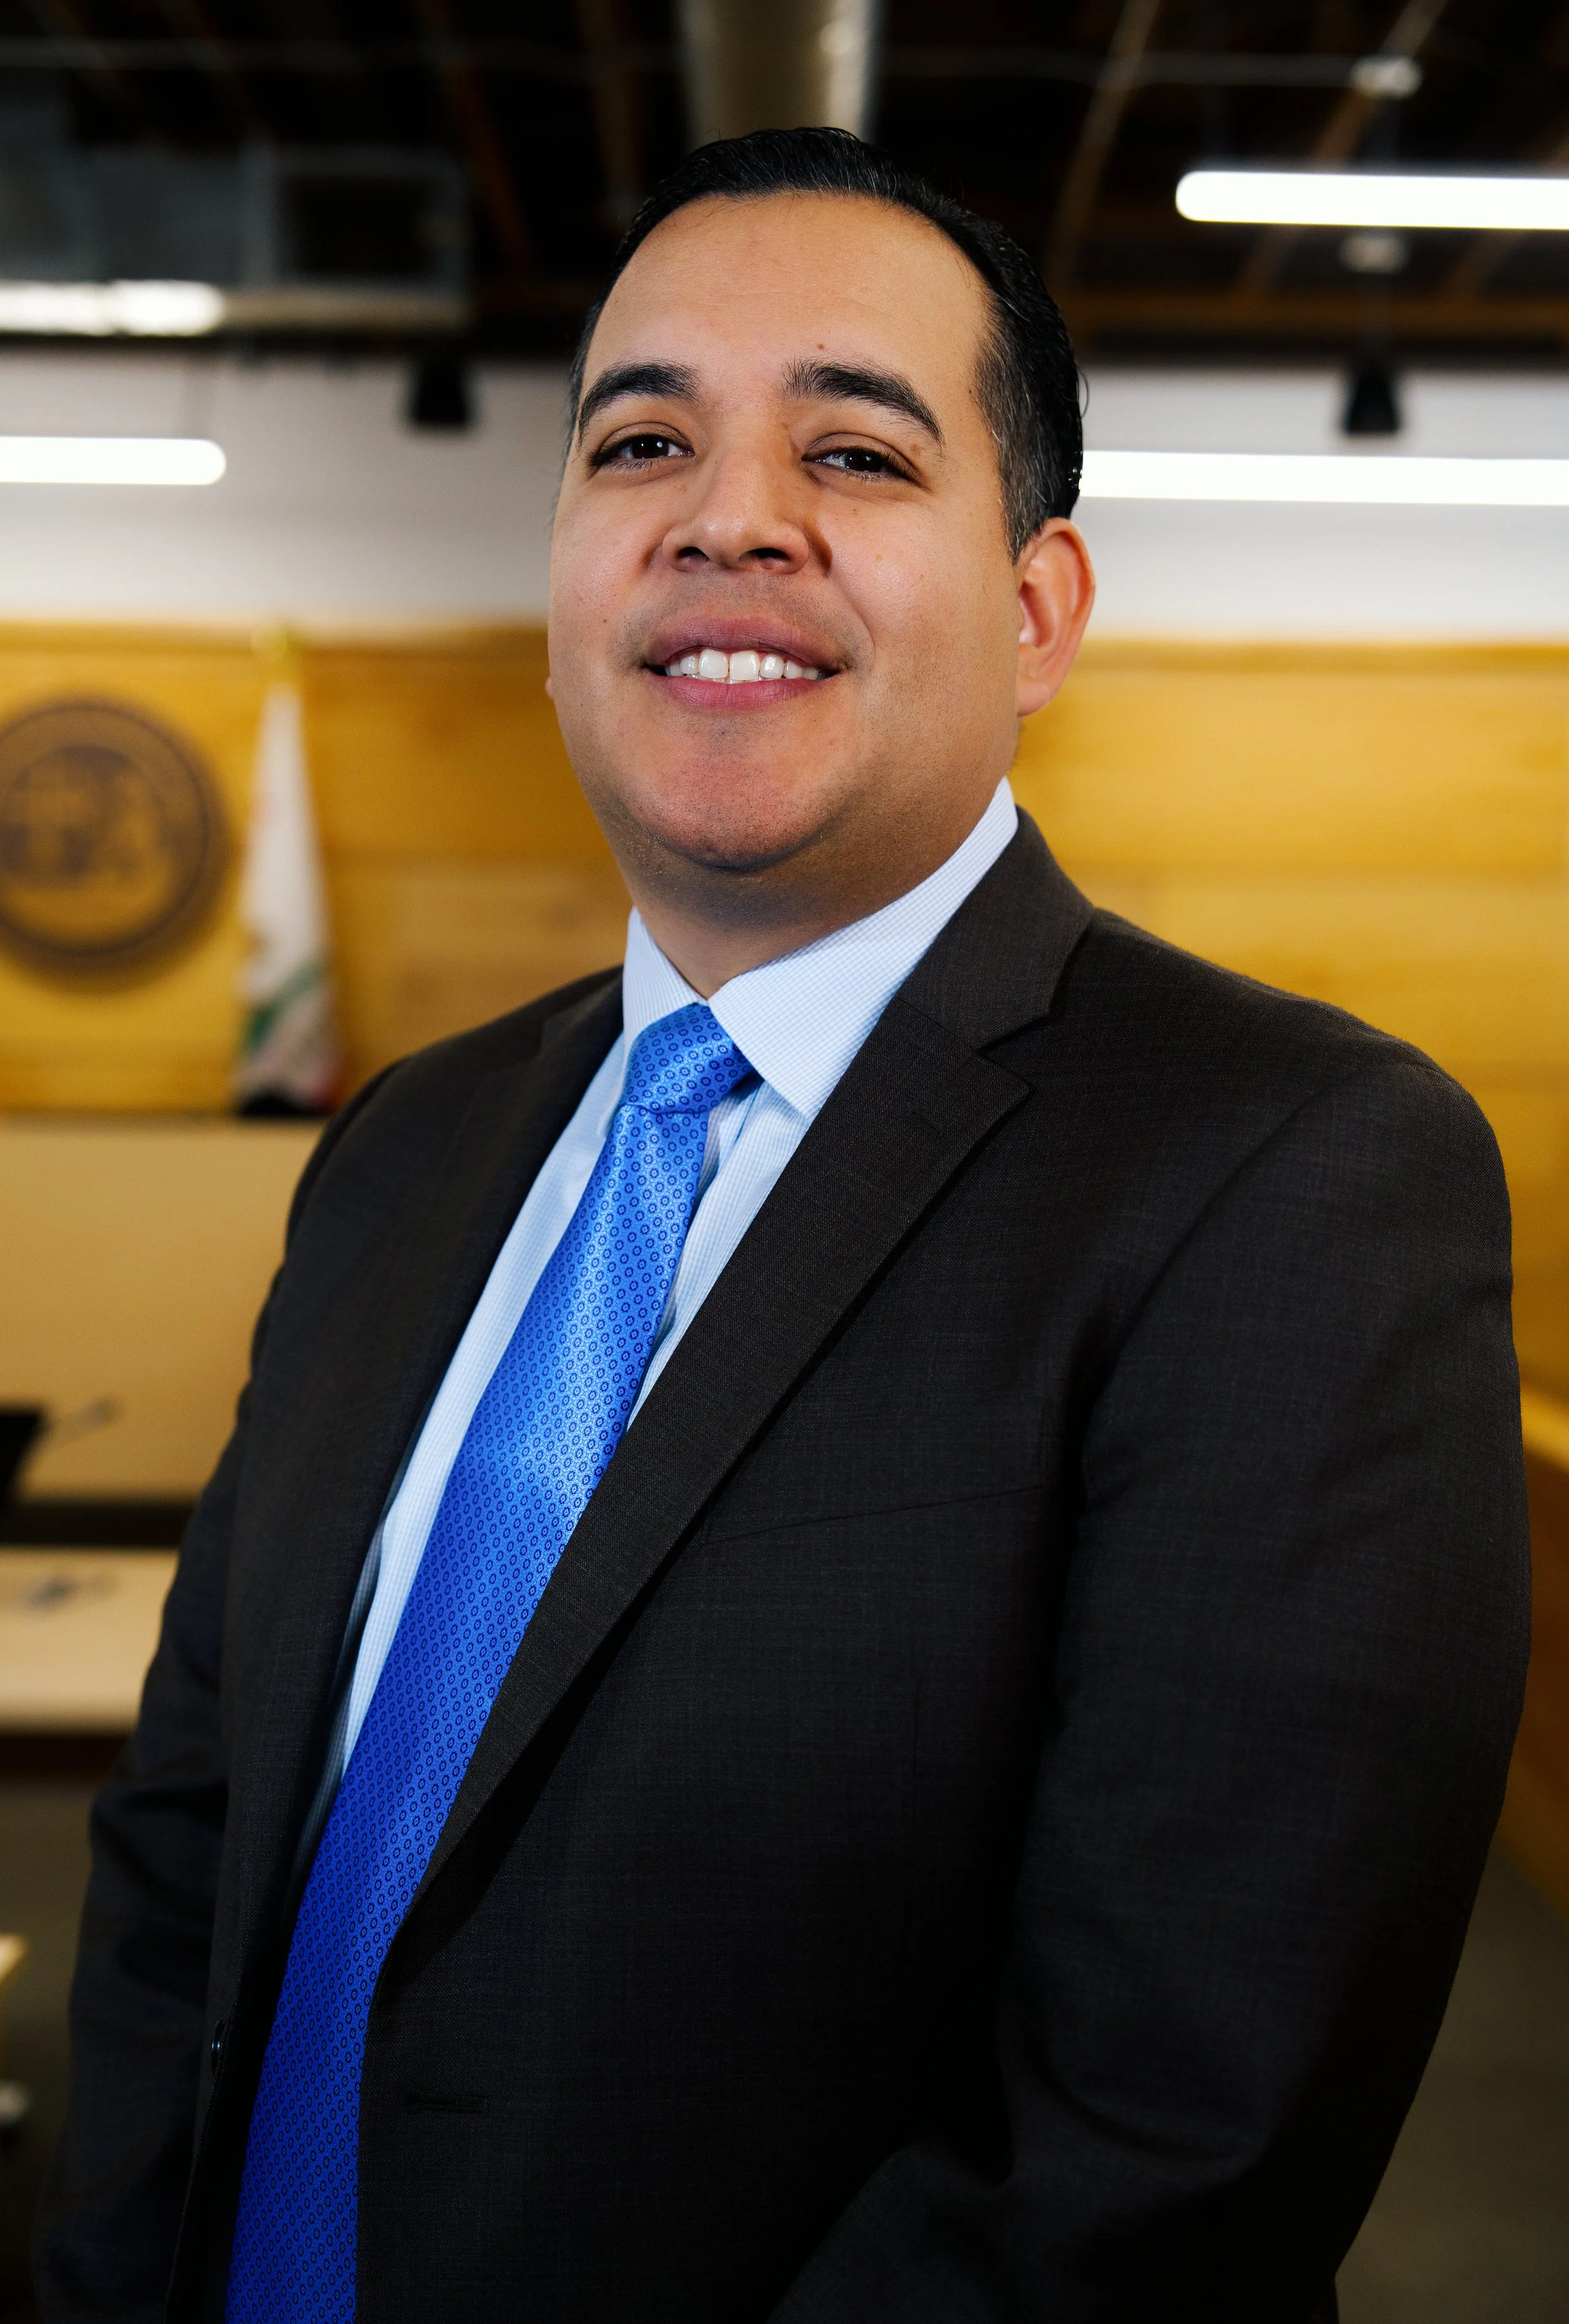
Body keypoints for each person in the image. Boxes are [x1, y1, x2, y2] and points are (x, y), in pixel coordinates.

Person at [40, 129, 1528, 2324]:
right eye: (642, 438)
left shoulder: (1291, 1175)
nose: (728, 514)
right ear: (561, 576)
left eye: (854, 445)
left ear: (1036, 611)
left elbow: (1164, 2139)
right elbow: (191, 1857)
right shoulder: (409, 1147)